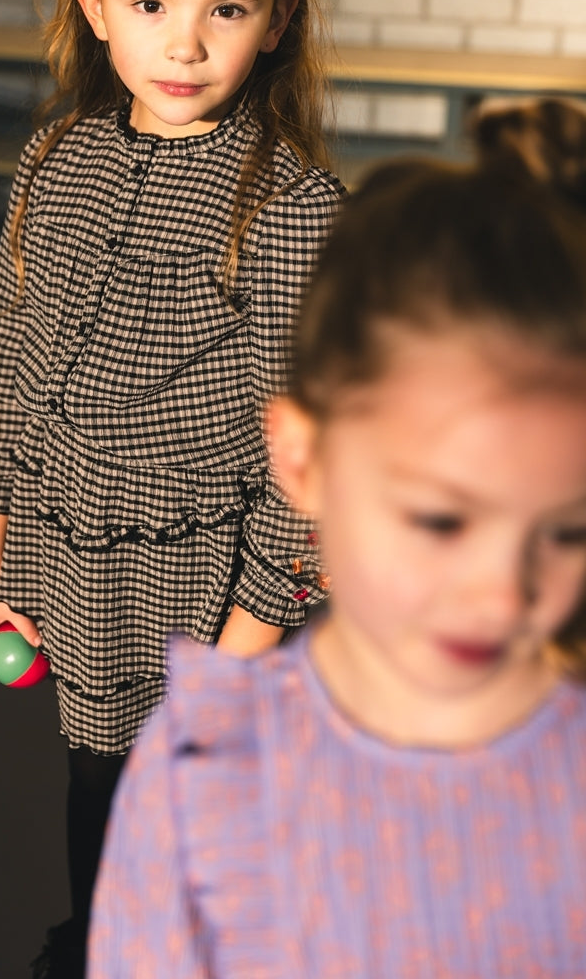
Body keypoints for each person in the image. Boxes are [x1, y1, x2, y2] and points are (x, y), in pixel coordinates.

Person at [0, 0, 344, 975]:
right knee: (98, 802)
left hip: (209, 618)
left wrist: (230, 669)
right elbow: (10, 391)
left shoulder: (290, 209)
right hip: (76, 583)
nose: (184, 46)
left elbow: (307, 480)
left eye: (224, 10)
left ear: (275, 20)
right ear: (94, 5)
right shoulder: (54, 161)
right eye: (150, 5)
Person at [88, 146, 586, 977]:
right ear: (303, 460)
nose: (503, 596)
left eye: (568, 533)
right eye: (439, 520)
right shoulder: (204, 768)